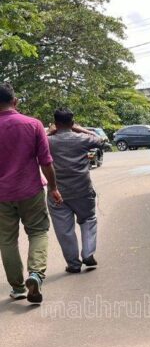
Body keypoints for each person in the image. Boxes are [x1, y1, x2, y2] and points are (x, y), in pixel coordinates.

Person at [0, 82, 62, 303]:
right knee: (37, 232)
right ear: (14, 102)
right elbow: (46, 162)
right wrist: (53, 187)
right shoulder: (33, 125)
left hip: (1, 196)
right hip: (30, 190)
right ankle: (35, 274)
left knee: (7, 240)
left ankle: (17, 288)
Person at [46, 108, 103, 273]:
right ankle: (88, 253)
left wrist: (50, 132)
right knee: (88, 220)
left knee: (64, 230)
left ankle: (73, 264)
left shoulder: (48, 141)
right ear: (72, 123)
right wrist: (80, 129)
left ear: (55, 124)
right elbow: (100, 140)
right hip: (83, 190)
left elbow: (35, 142)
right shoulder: (82, 138)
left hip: (57, 192)